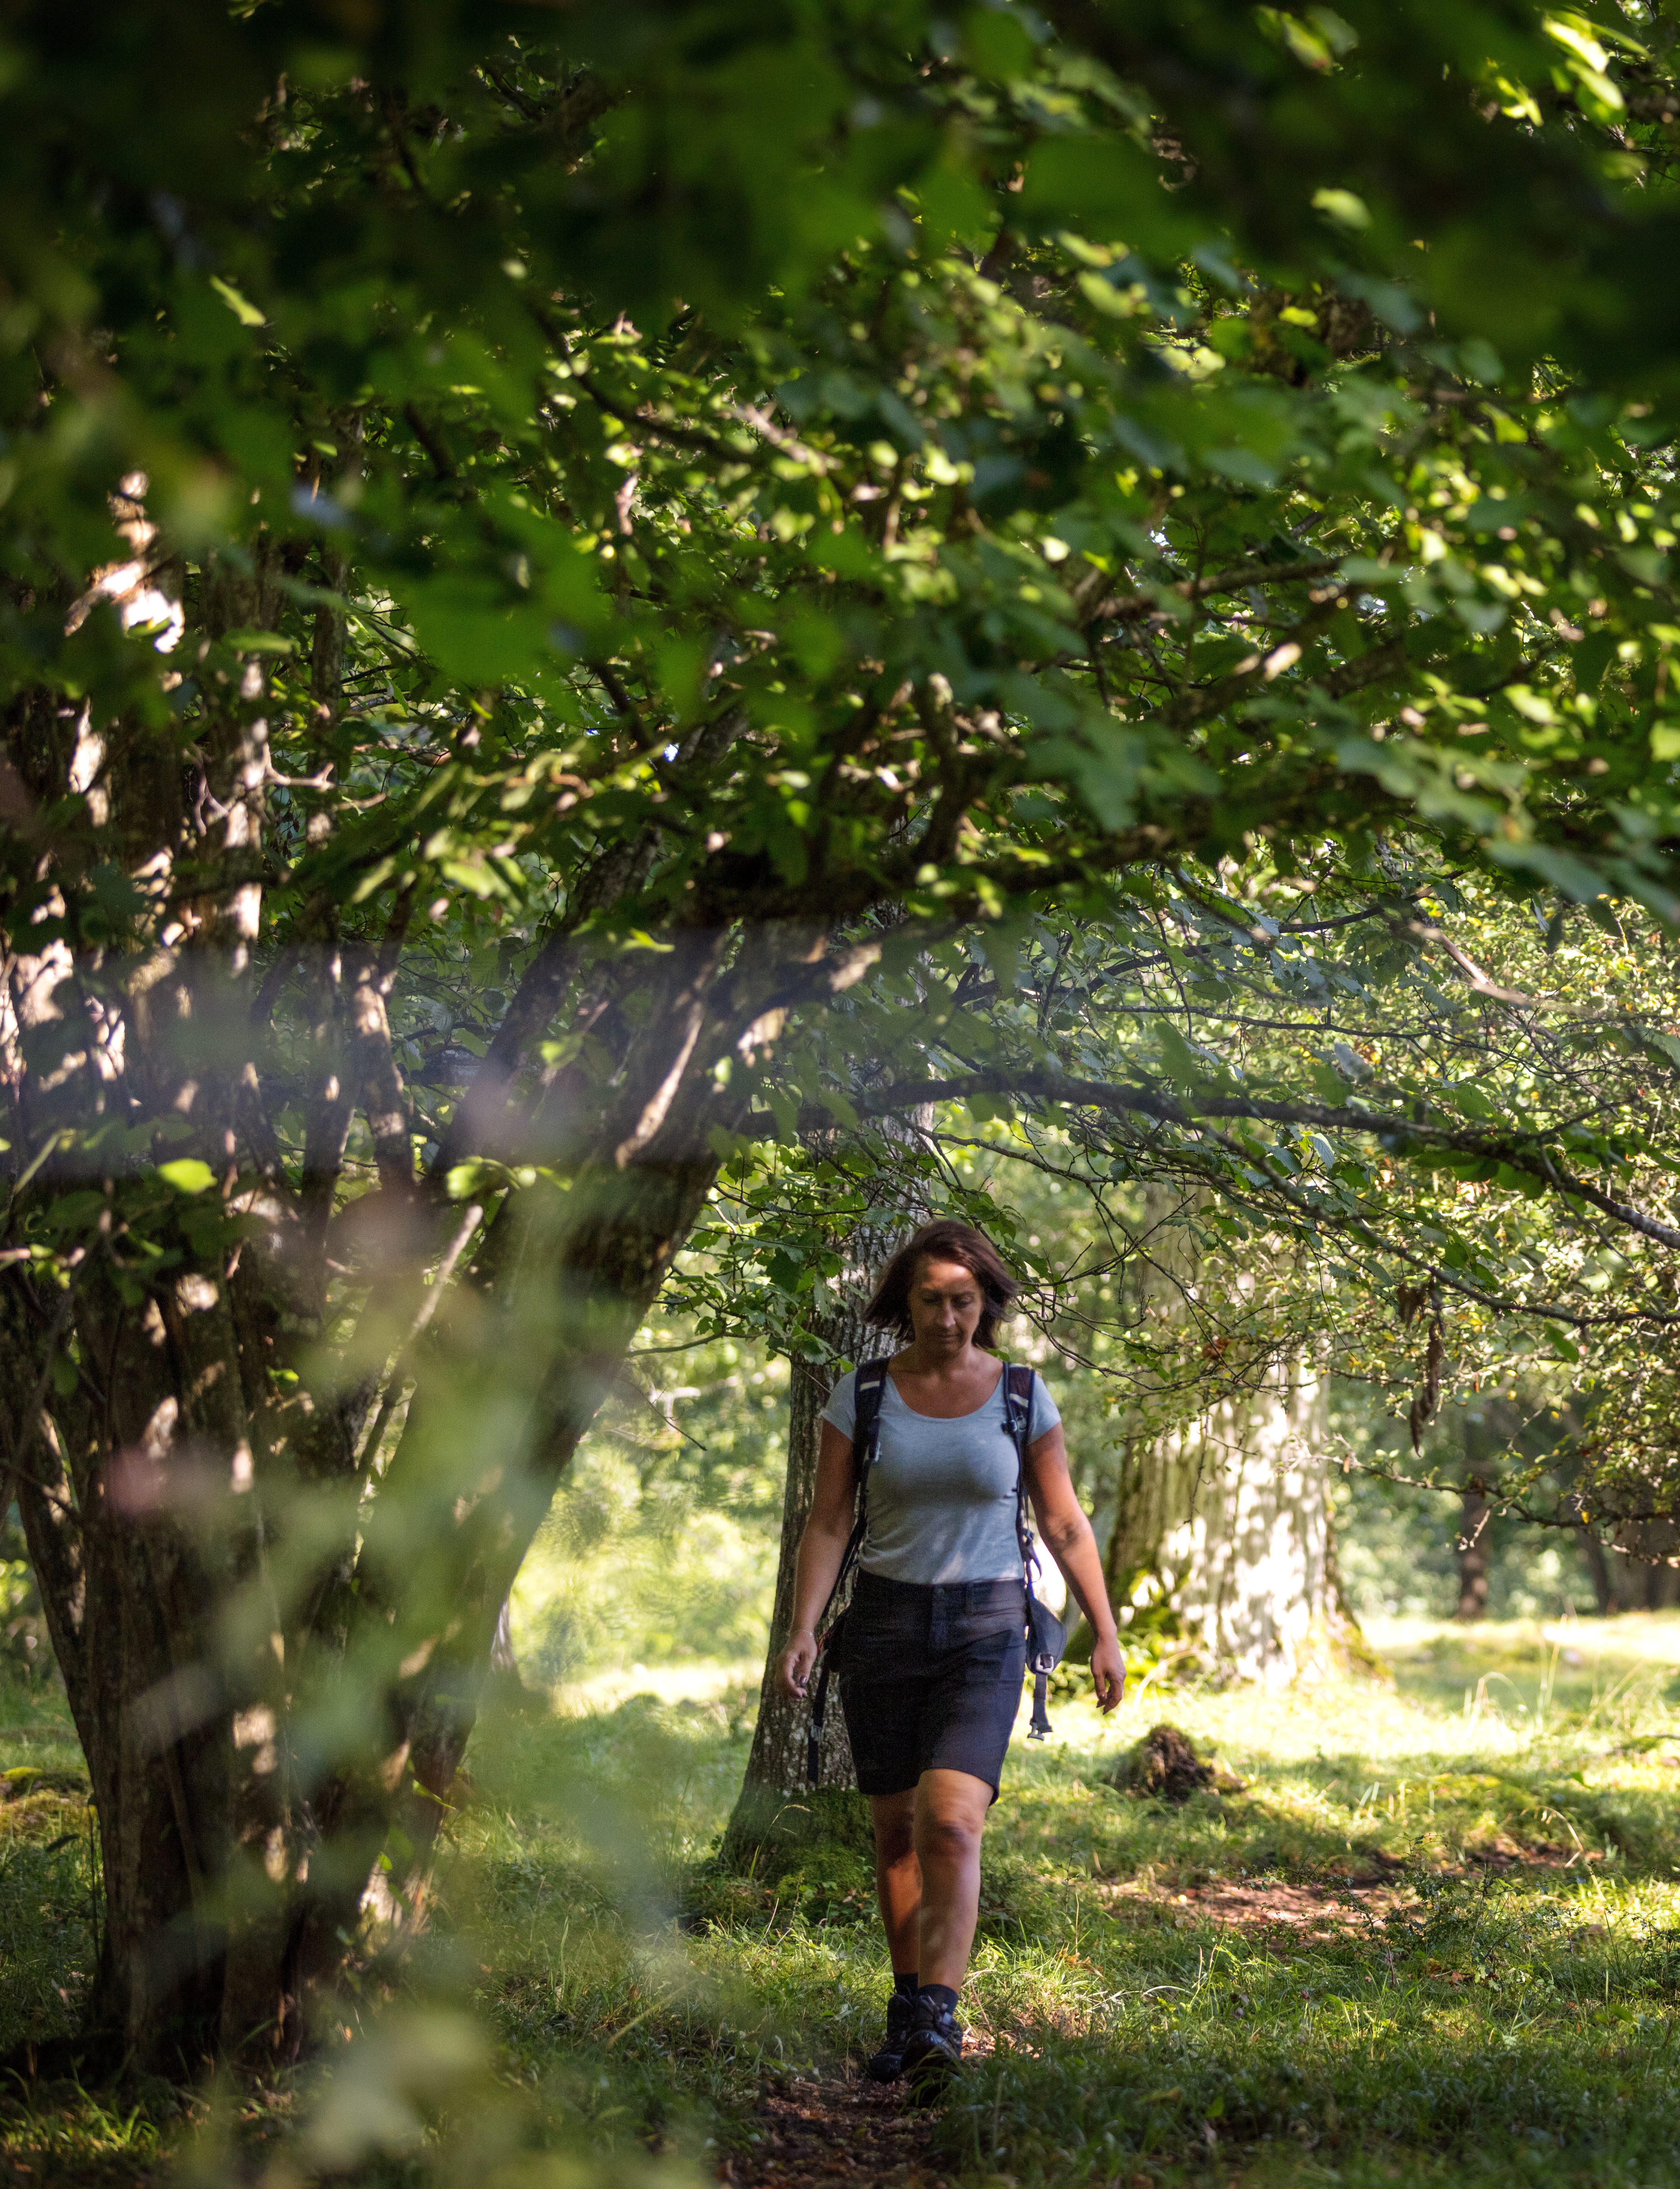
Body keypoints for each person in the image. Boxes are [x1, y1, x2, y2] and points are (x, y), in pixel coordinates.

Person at [778, 1219, 1125, 2097]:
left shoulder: (1020, 1394)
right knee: (895, 1833)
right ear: (905, 1302)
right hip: (884, 1626)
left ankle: (940, 2012)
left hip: (987, 1627)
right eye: (930, 1300)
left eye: (963, 1301)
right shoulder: (861, 1395)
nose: (946, 1317)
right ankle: (907, 2009)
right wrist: (804, 1627)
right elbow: (828, 1520)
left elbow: (1064, 1522)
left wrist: (1106, 1630)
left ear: (986, 1303)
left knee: (950, 1823)